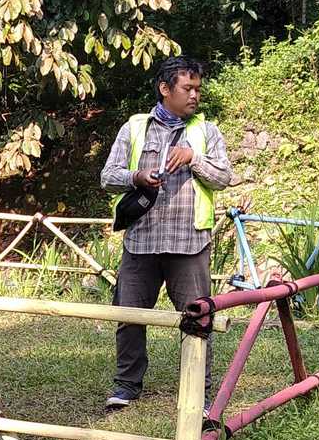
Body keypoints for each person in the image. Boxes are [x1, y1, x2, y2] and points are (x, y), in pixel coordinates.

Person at [100, 56, 234, 410]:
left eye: (198, 89)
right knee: (129, 317)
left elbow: (224, 177)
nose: (194, 96)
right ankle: (126, 387)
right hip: (140, 242)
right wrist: (137, 177)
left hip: (189, 244)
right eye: (187, 88)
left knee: (198, 320)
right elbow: (108, 177)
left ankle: (199, 393)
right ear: (165, 89)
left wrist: (193, 158)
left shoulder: (206, 132)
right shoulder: (134, 128)